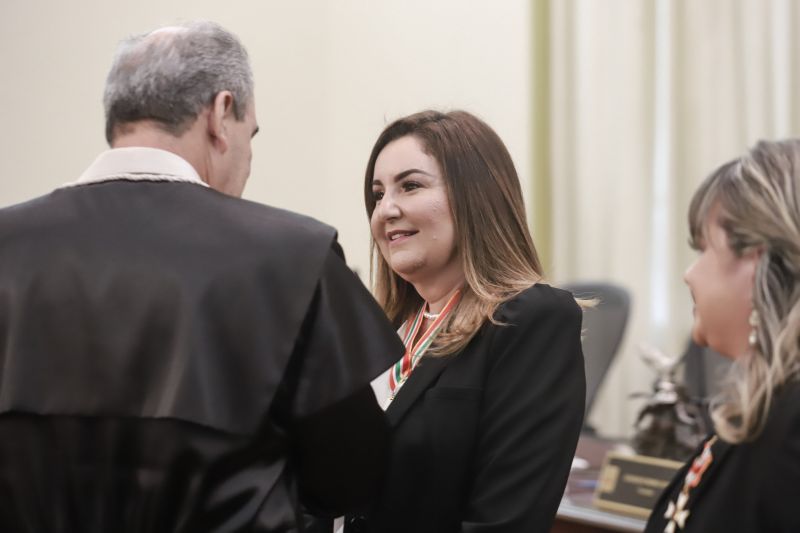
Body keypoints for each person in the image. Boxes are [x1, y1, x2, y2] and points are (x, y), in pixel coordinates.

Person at [0, 21, 403, 532]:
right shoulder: (289, 259)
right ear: (220, 114)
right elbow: (348, 476)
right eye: (250, 134)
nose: (249, 158)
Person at [344, 110, 586, 533]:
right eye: (377, 194)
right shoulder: (385, 331)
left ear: (475, 196)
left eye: (411, 186)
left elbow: (506, 521)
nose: (386, 210)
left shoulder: (530, 319)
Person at [645, 140, 800, 532]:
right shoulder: (764, 409)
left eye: (703, 249)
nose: (689, 274)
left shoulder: (790, 431)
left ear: (757, 262)